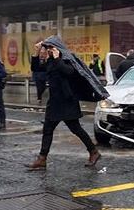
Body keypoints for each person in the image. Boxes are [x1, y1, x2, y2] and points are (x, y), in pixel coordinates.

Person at [27, 36, 102, 170]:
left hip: (67, 101)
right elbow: (36, 68)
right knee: (48, 130)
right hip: (55, 101)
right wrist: (36, 52)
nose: (48, 50)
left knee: (76, 129)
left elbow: (69, 72)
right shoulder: (50, 61)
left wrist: (57, 58)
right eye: (46, 48)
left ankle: (93, 151)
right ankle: (42, 158)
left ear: (57, 47)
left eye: (50, 47)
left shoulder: (67, 59)